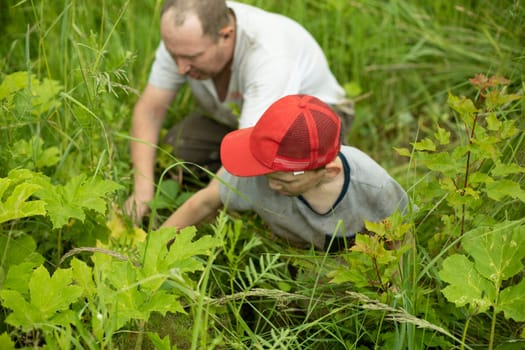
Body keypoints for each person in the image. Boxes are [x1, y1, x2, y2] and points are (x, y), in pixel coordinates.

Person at [124, 0, 354, 224]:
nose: (181, 68)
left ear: (226, 34)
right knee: (179, 147)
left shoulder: (269, 55)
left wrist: (176, 227)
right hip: (237, 120)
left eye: (192, 58)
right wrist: (142, 190)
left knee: (280, 181)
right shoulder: (184, 41)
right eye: (173, 54)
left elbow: (251, 151)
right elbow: (150, 111)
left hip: (310, 128)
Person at [161, 94, 408, 252]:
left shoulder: (373, 186)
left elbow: (403, 238)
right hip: (289, 257)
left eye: (281, 180)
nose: (271, 186)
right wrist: (152, 249)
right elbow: (204, 202)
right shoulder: (260, 171)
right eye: (267, 175)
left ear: (329, 172)